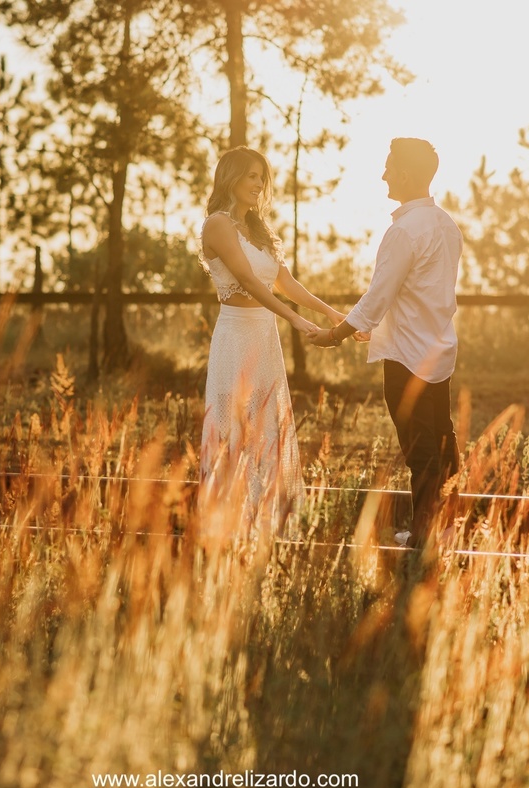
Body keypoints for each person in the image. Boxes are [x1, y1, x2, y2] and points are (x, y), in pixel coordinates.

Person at [308, 137, 462, 550]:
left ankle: (425, 535)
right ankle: (443, 526)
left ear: (406, 175)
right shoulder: (446, 224)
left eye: (389, 167)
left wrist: (334, 335)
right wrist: (369, 327)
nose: (383, 175)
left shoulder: (403, 231)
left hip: (406, 357)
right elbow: (423, 293)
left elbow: (379, 296)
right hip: (438, 350)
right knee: (442, 438)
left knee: (420, 446)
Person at [198, 146, 344, 539]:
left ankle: (268, 521)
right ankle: (228, 521)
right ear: (230, 177)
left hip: (264, 336)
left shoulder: (260, 230)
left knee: (267, 424)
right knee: (235, 425)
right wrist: (294, 320)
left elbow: (286, 284)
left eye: (262, 177)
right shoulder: (217, 224)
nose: (258, 184)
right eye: (250, 176)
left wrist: (330, 313)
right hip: (236, 335)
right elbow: (246, 280)